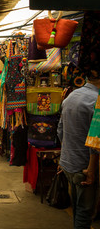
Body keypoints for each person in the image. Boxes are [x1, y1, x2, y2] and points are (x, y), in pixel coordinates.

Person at [57, 77, 100, 229]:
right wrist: (91, 170)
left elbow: (60, 131)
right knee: (84, 212)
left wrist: (65, 156)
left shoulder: (71, 96)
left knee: (77, 206)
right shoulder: (96, 101)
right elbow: (94, 140)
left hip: (69, 163)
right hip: (84, 167)